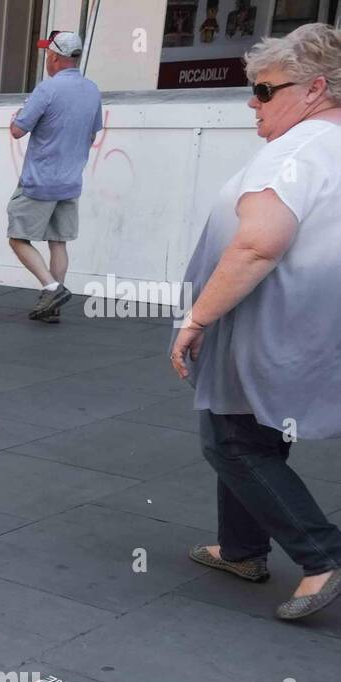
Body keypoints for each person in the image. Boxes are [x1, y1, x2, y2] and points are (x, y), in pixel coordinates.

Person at [170, 23, 341, 621]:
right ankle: (242, 548)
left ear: (315, 89)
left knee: (233, 442)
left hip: (265, 323)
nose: (253, 102)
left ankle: (323, 554)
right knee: (257, 432)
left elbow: (256, 247)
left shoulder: (297, 150)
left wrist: (197, 317)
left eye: (265, 91)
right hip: (302, 326)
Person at [7, 30, 102, 323]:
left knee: (17, 237)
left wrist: (16, 115)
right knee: (58, 242)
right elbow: (92, 133)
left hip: (40, 180)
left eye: (48, 53)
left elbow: (17, 129)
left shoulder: (46, 90)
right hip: (71, 180)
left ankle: (51, 288)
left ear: (55, 56)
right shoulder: (92, 90)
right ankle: (52, 306)